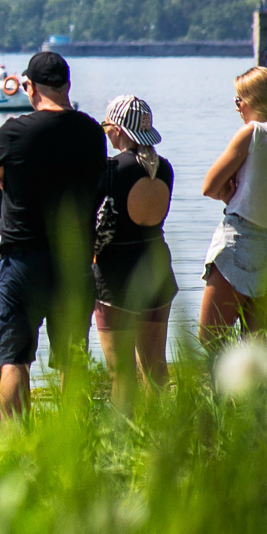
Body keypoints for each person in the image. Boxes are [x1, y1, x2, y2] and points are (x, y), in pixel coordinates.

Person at [0, 51, 107, 414]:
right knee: (73, 359)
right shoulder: (91, 131)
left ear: (29, 87)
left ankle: (17, 447)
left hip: (23, 259)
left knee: (15, 360)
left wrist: (13, 182)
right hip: (75, 258)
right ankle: (74, 441)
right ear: (67, 85)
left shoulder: (15, 130)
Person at [91, 94, 176, 406]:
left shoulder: (111, 169)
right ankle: (166, 435)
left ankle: (125, 442)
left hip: (117, 273)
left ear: (117, 130)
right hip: (156, 264)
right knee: (156, 367)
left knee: (120, 372)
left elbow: (97, 222)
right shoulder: (164, 168)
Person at [199, 66, 267, 338]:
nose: (238, 107)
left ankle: (222, 381)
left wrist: (227, 195)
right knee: (257, 346)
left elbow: (209, 186)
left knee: (209, 337)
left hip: (242, 239)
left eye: (240, 100)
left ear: (256, 100)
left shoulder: (253, 132)